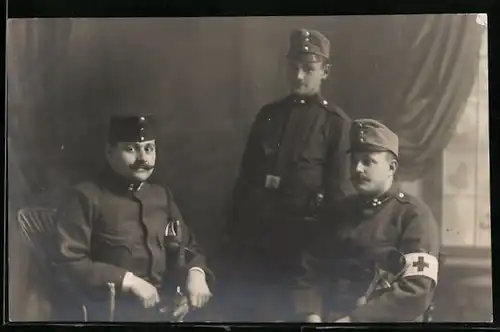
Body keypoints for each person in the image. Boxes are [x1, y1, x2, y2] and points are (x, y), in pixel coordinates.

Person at [225, 28, 353, 321]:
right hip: (259, 246)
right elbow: (245, 180)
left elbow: (339, 196)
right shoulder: (268, 115)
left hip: (306, 253)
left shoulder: (335, 124)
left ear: (325, 71)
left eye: (308, 69)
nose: (298, 77)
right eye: (293, 68)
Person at [53, 114, 213, 322]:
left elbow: (187, 246)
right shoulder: (86, 197)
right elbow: (68, 261)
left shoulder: (161, 196)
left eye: (149, 148)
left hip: (167, 311)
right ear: (109, 153)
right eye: (131, 149)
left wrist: (196, 274)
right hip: (111, 314)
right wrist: (128, 281)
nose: (143, 159)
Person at [294, 119, 440, 322]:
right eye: (353, 161)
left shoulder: (413, 216)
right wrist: (311, 314)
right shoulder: (337, 212)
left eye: (367, 161)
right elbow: (310, 270)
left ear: (392, 167)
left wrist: (355, 320)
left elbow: (416, 290)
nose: (357, 169)